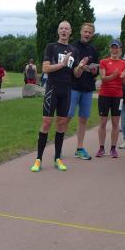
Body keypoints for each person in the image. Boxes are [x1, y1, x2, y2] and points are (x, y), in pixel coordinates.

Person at [30, 20, 82, 172]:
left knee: (61, 124)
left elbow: (76, 74)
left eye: (66, 28)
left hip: (66, 90)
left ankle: (57, 158)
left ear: (70, 32)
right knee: (46, 122)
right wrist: (62, 64)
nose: (64, 31)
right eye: (61, 28)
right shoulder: (51, 47)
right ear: (58, 31)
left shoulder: (74, 50)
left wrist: (80, 67)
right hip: (52, 89)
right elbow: (45, 68)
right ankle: (38, 159)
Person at [69, 22, 100, 160]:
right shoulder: (72, 47)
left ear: (92, 34)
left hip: (87, 89)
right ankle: (58, 147)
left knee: (83, 119)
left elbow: (96, 72)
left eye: (90, 32)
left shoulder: (93, 50)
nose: (87, 34)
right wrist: (79, 66)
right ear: (81, 32)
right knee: (66, 117)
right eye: (85, 31)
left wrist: (94, 71)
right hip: (73, 87)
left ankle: (79, 148)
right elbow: (68, 68)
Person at [96, 39, 125, 158]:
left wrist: (123, 77)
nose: (114, 50)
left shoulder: (124, 63)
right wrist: (113, 75)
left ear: (120, 49)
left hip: (118, 96)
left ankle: (113, 149)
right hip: (104, 95)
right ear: (110, 49)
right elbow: (103, 78)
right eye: (113, 47)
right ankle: (101, 148)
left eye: (116, 47)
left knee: (115, 122)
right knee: (103, 121)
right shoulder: (103, 61)